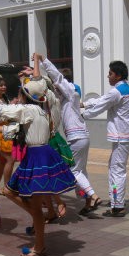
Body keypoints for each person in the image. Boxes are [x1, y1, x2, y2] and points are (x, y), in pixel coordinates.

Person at [0, 77, 76, 256]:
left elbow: (3, 111)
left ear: (25, 95)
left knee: (21, 198)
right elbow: (14, 130)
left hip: (36, 156)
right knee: (9, 192)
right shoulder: (40, 112)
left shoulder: (27, 109)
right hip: (42, 155)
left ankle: (39, 244)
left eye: (21, 92)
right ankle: (37, 224)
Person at [34, 53, 102, 215]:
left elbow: (57, 79)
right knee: (81, 171)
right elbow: (51, 84)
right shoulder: (67, 97)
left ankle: (93, 196)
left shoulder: (70, 93)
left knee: (74, 171)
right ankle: (87, 202)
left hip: (77, 137)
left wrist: (43, 60)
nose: (55, 88)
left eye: (58, 86)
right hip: (82, 136)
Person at [81, 61, 129, 217]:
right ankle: (116, 200)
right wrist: (84, 104)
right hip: (126, 135)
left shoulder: (117, 91)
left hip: (122, 136)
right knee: (114, 169)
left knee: (117, 171)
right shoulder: (126, 88)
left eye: (110, 73)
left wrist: (81, 115)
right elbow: (102, 101)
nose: (108, 76)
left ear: (118, 75)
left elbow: (101, 105)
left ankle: (118, 206)